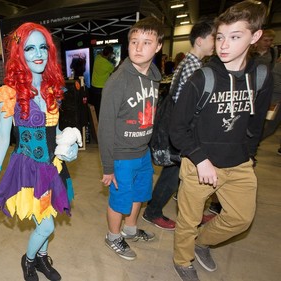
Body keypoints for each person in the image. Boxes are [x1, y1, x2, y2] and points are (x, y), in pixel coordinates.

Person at [169, 1, 272, 280]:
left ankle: (203, 242)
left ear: (255, 36)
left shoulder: (261, 75)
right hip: (199, 162)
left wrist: (250, 157)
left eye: (235, 37)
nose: (224, 45)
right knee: (188, 220)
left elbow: (256, 123)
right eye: (220, 37)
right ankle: (183, 259)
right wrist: (200, 159)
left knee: (241, 218)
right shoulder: (203, 77)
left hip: (238, 163)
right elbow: (176, 127)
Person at [0, 22, 80, 281]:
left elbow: (56, 131)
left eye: (43, 48)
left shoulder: (52, 89)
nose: (38, 54)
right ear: (19, 53)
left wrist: (69, 145)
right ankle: (28, 261)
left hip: (52, 167)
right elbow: (4, 138)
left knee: (46, 217)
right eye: (29, 48)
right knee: (46, 224)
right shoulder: (10, 93)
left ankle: (40, 259)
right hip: (27, 168)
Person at [98, 16, 163, 261]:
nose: (138, 47)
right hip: (121, 155)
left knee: (140, 193)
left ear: (157, 47)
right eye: (134, 41)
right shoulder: (118, 81)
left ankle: (130, 229)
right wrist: (107, 166)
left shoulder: (154, 78)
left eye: (146, 42)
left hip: (142, 151)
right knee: (120, 199)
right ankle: (113, 236)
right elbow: (105, 127)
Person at [142, 20, 215, 231]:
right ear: (200, 41)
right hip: (181, 129)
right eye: (213, 38)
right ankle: (153, 211)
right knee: (173, 173)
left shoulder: (190, 63)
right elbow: (188, 106)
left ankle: (191, 212)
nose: (216, 43)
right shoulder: (193, 66)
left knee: (181, 174)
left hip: (177, 127)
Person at [90, 45, 115, 117]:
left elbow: (100, 53)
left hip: (93, 86)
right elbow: (115, 70)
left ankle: (95, 119)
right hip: (102, 88)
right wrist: (120, 64)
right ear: (110, 54)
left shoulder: (97, 58)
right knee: (102, 106)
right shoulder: (108, 65)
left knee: (95, 106)